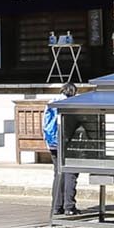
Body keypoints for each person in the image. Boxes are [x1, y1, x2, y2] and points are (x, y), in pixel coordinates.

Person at [44, 83, 80, 216]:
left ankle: (56, 207)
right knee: (70, 173)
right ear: (74, 92)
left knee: (58, 174)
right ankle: (69, 206)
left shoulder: (51, 102)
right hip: (67, 143)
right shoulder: (72, 103)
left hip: (52, 144)